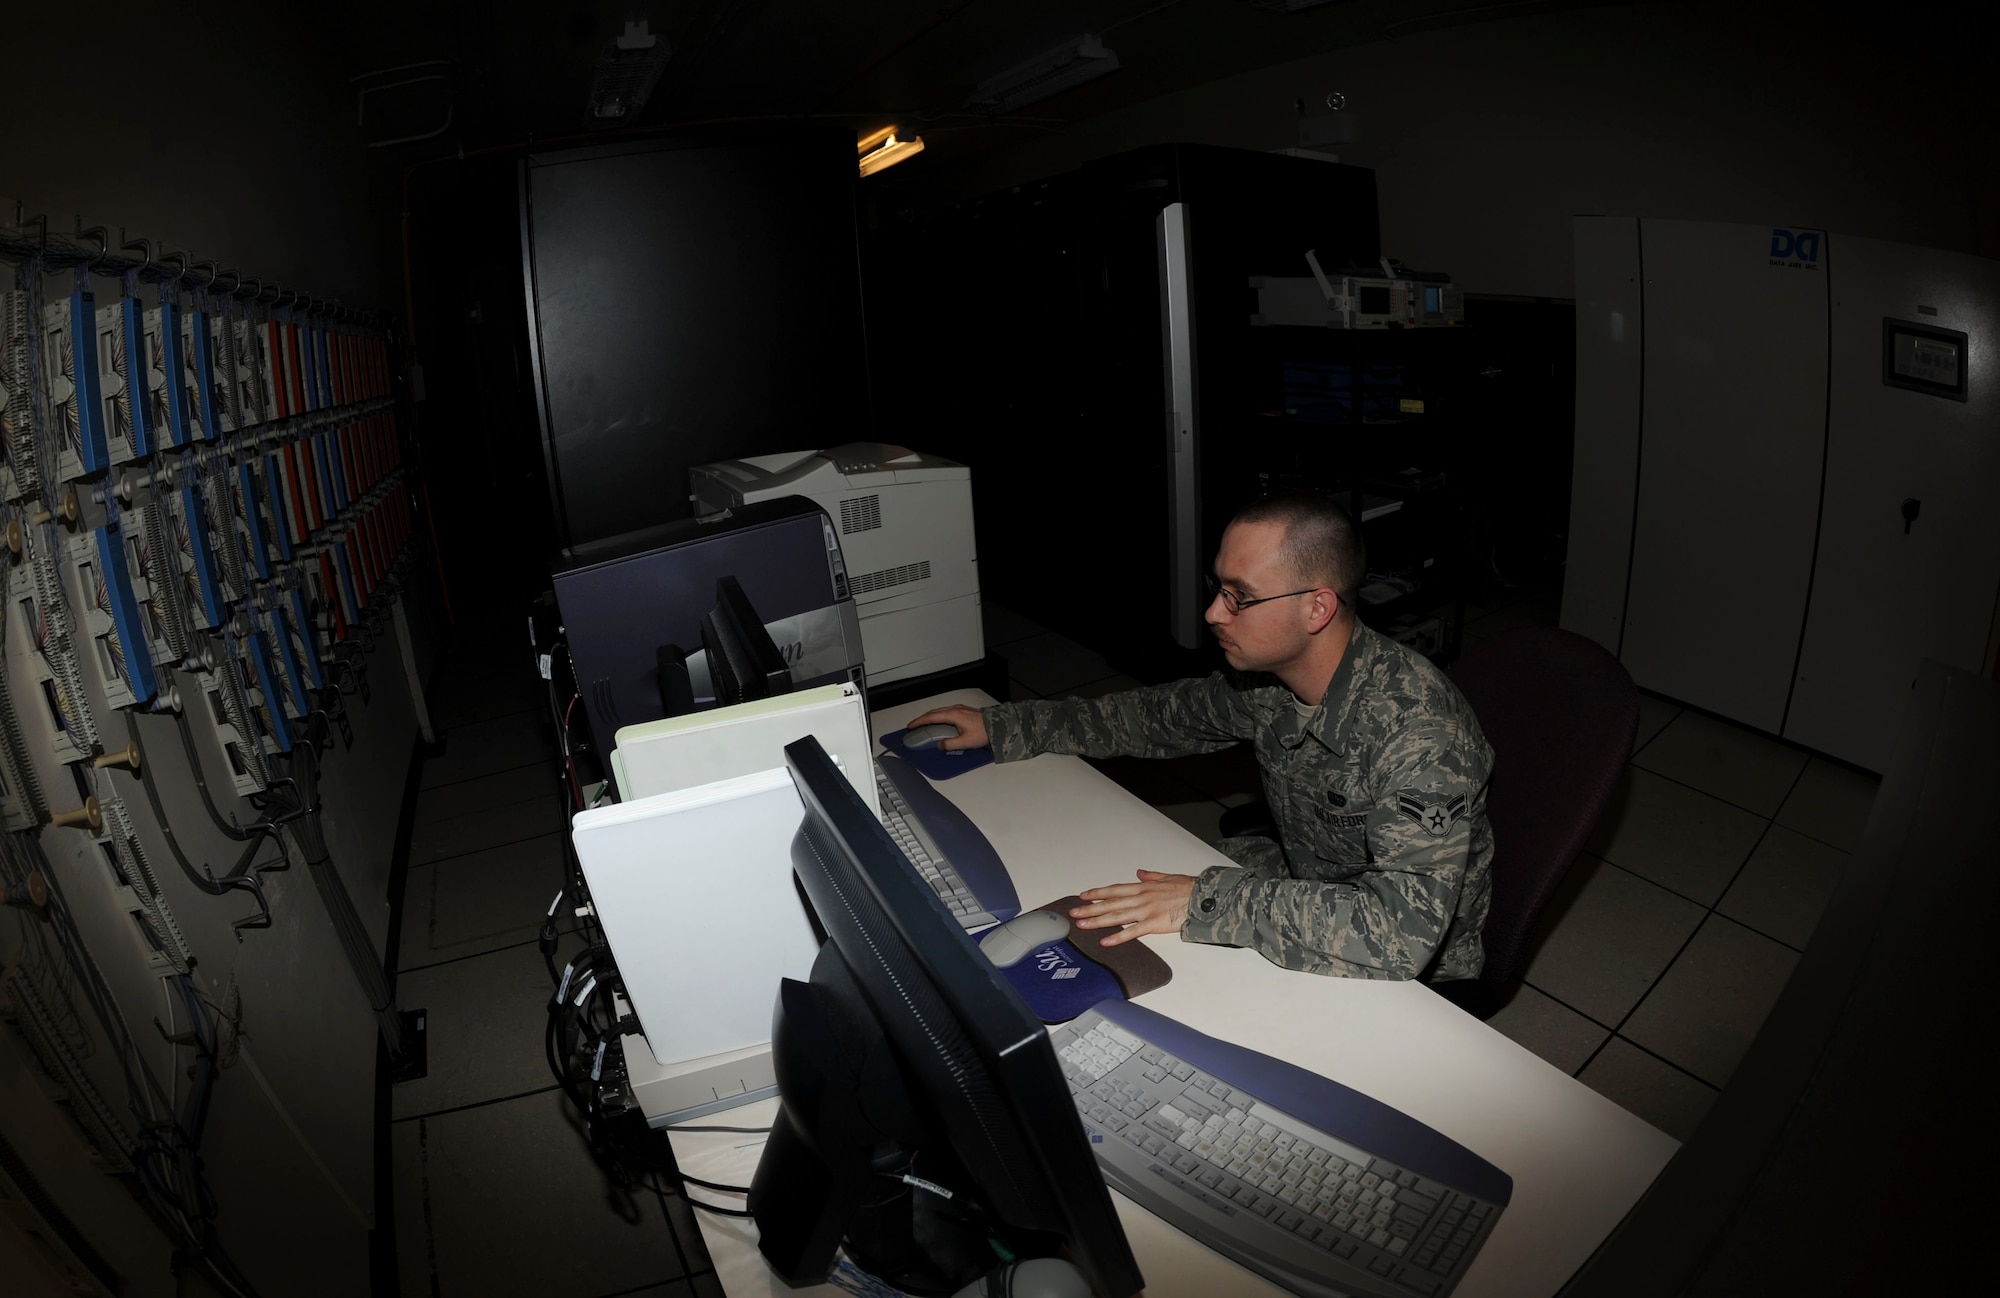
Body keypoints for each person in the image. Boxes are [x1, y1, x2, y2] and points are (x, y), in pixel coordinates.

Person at [906, 492, 1494, 981]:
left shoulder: (1421, 736)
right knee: (1102, 900)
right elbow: (1162, 715)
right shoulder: (1272, 678)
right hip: (1308, 882)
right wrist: (1008, 725)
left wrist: (1203, 901)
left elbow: (1403, 934)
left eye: (1240, 596)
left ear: (1317, 609)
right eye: (1219, 588)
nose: (1215, 612)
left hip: (1411, 964)